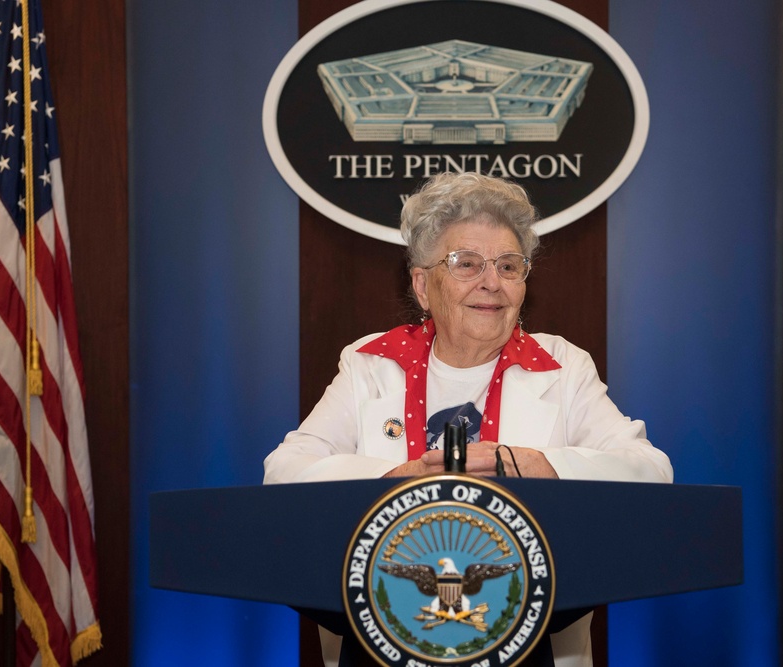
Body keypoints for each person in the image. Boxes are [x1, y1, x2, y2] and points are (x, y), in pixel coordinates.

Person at [264, 171, 672, 667]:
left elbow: (651, 472)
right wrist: (398, 478)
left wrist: (534, 465)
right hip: (386, 639)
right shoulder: (370, 365)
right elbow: (284, 473)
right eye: (466, 264)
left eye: (508, 265)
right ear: (422, 284)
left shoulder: (562, 366)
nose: (491, 283)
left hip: (530, 643)